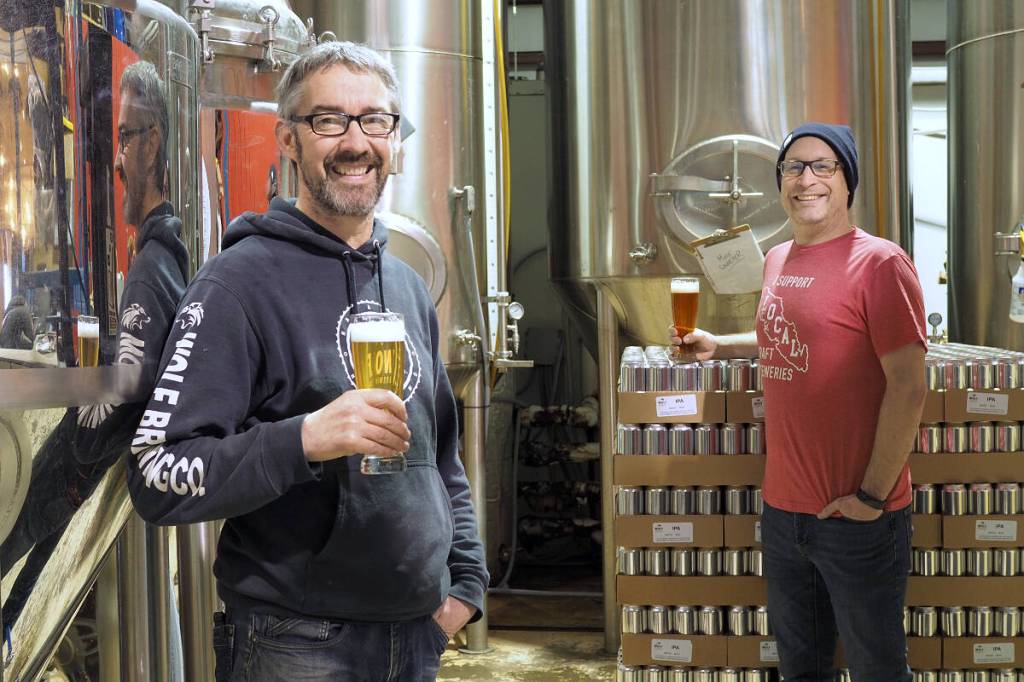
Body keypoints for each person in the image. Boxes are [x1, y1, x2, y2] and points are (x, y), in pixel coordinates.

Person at [127, 41, 488, 682]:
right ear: (289, 140)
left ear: (394, 138)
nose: (356, 141)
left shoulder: (405, 286)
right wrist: (305, 439)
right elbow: (156, 474)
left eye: (375, 120)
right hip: (296, 643)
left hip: (418, 635)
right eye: (329, 120)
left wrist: (465, 583)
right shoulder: (236, 286)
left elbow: (443, 459)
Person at [673, 123, 926, 681]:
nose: (805, 179)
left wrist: (871, 497)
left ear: (847, 181)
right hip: (786, 512)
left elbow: (909, 387)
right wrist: (720, 344)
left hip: (856, 514)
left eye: (822, 167)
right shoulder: (778, 258)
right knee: (801, 668)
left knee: (876, 670)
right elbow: (786, 331)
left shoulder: (880, 264)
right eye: (793, 167)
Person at [0, 60, 188, 659]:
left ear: (155, 142)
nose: (117, 157)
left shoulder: (155, 268)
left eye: (127, 138)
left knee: (20, 566)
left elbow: (130, 387)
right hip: (79, 481)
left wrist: (73, 447)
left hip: (74, 474)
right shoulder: (159, 260)